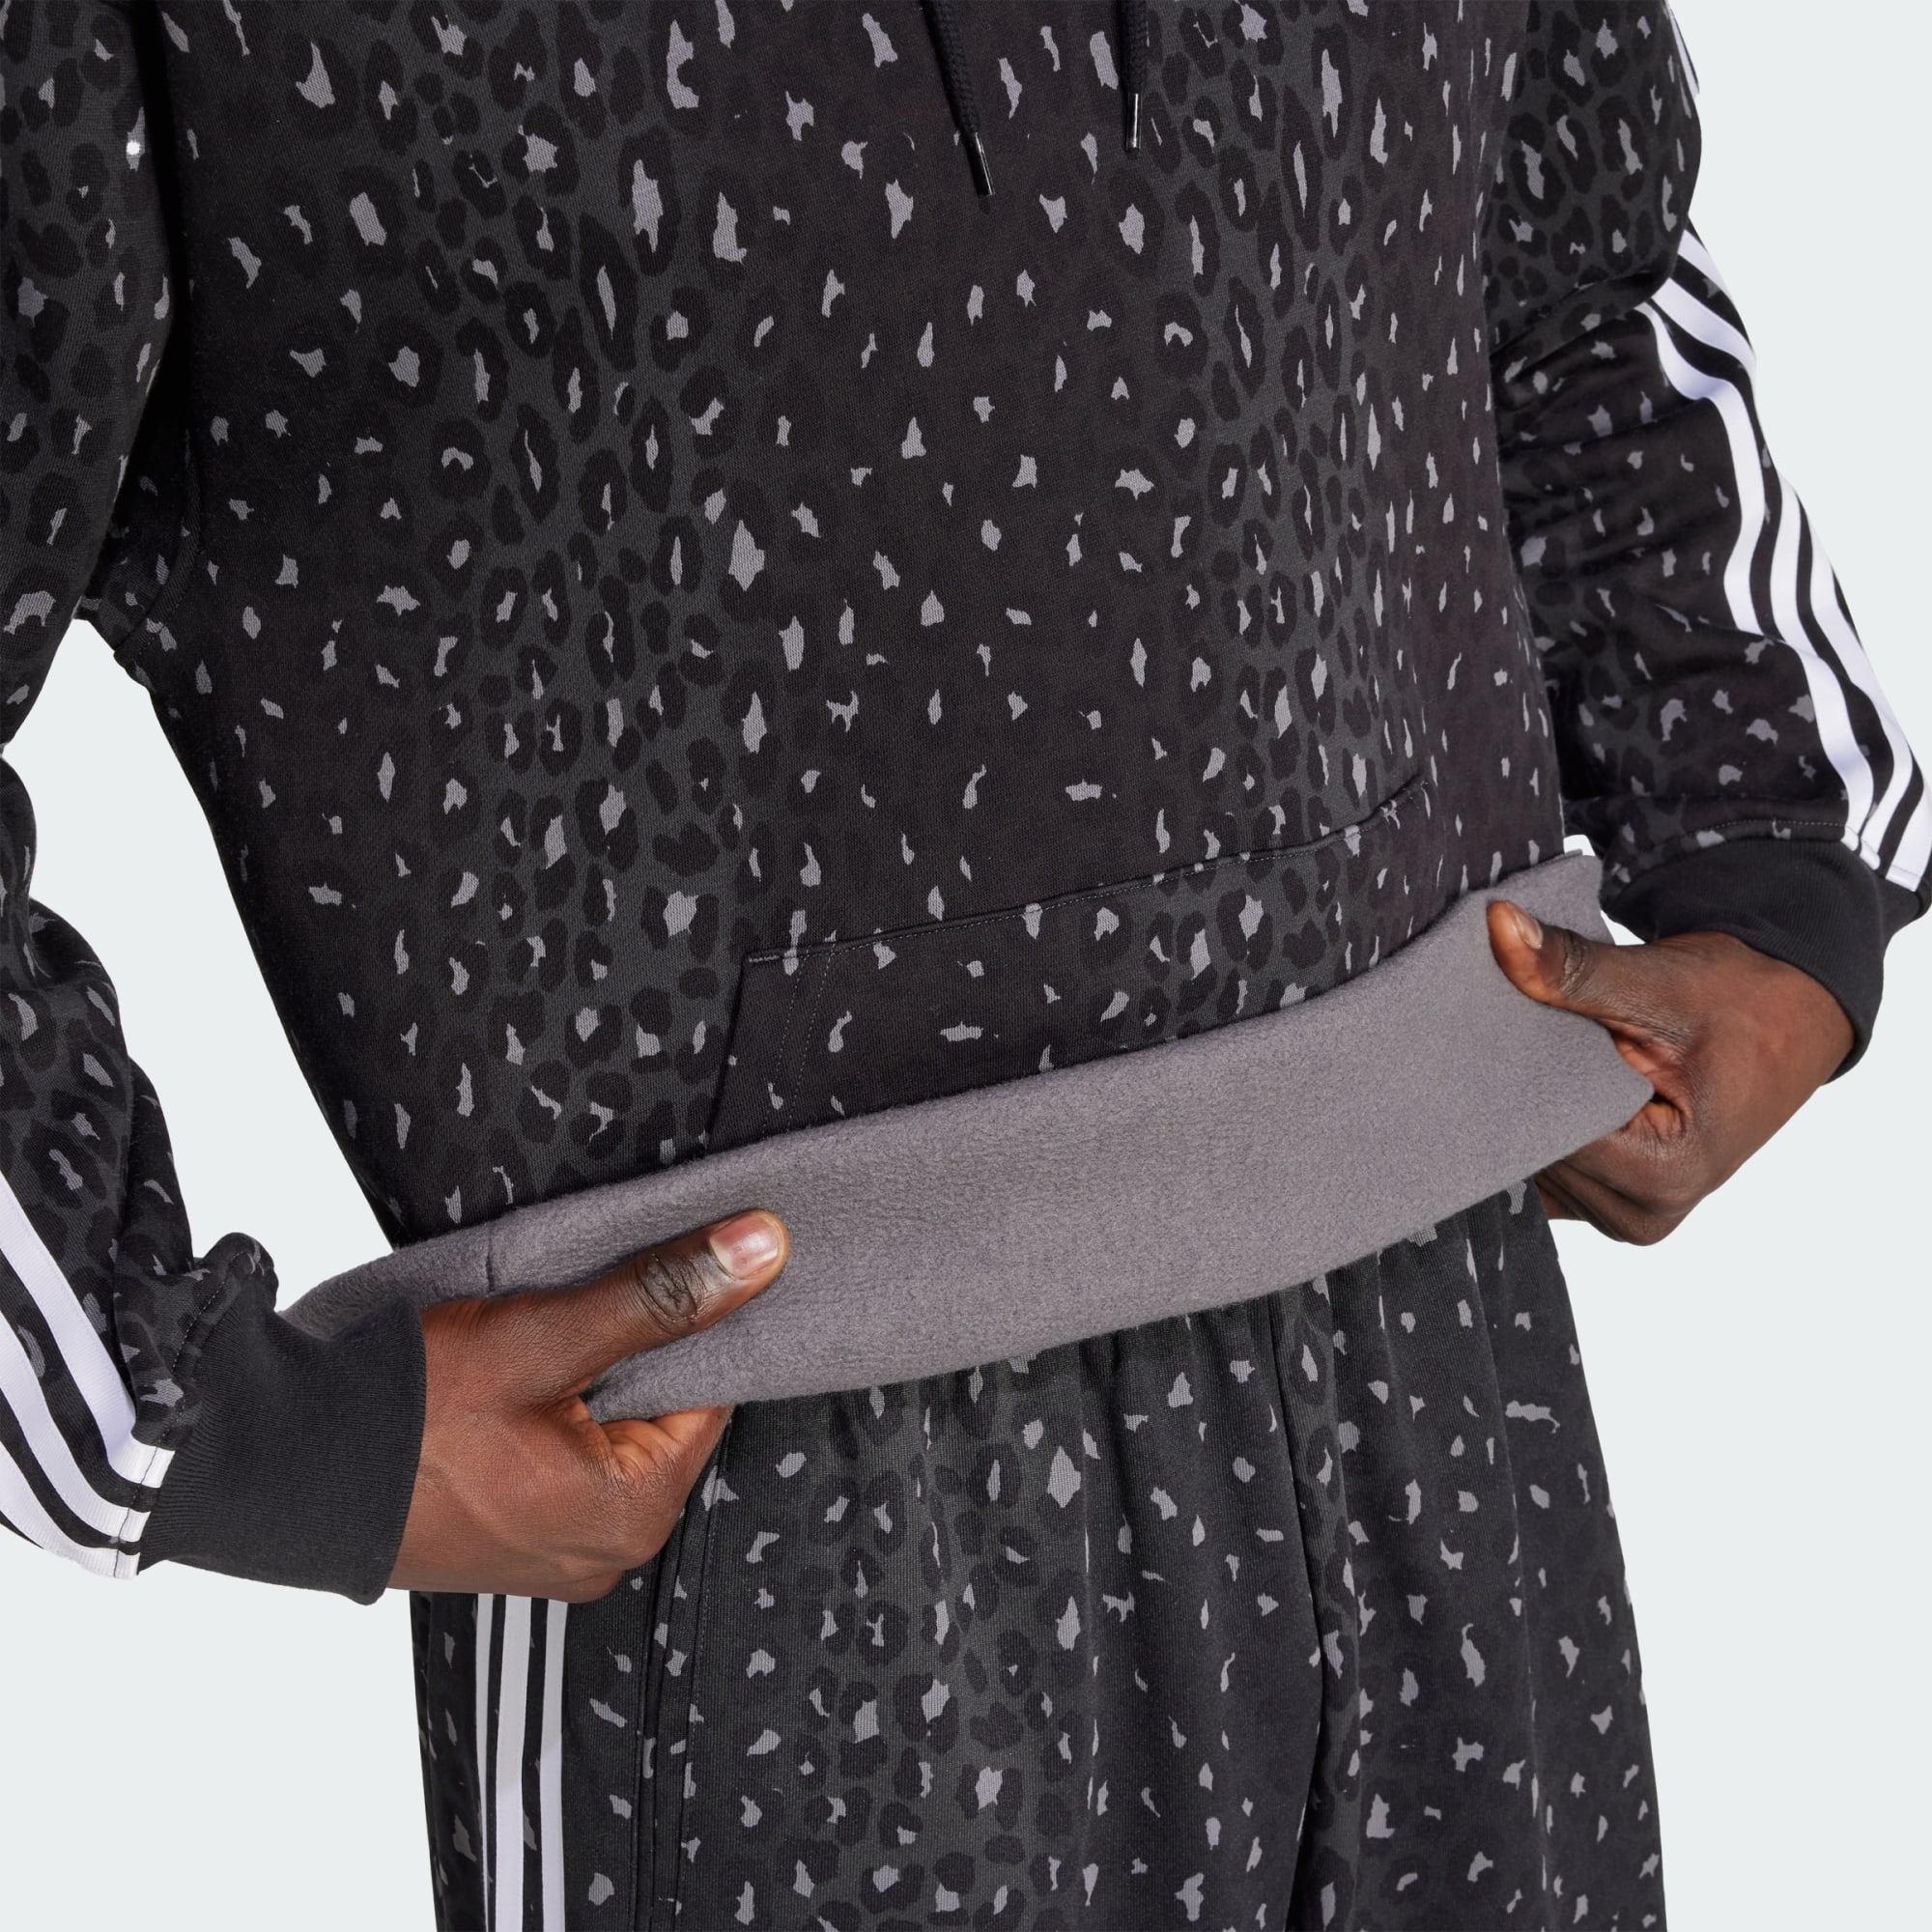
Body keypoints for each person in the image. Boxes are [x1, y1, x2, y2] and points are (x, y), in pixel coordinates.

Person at [2, 2, 1921, 1926]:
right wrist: (204, 1425)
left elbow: (1573, 266)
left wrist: (1775, 844)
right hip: (753, 1483)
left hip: (1452, 1348)